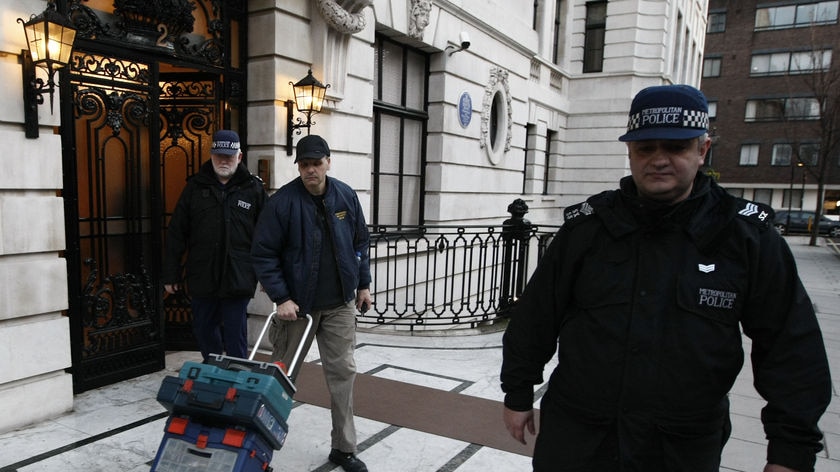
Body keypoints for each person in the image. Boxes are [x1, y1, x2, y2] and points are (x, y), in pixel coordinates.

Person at [500, 85, 831, 472]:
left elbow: (791, 345)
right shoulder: (589, 228)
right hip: (580, 437)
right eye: (645, 148)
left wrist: (791, 449)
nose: (658, 160)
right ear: (630, 152)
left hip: (678, 448)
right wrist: (518, 392)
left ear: (702, 150)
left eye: (675, 148)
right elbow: (536, 316)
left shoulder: (745, 237)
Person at [251, 134, 372, 472]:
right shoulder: (282, 203)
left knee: (343, 373)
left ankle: (344, 449)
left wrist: (363, 284)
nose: (310, 170)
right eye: (304, 165)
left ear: (328, 162)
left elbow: (360, 242)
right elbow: (263, 254)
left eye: (316, 163)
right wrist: (281, 297)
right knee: (280, 379)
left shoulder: (346, 196)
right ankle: (256, 450)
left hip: (339, 305)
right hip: (297, 309)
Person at [162, 129, 266, 361]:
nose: (223, 161)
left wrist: (267, 277)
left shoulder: (253, 188)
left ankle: (237, 376)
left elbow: (266, 237)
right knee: (204, 330)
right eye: (219, 155)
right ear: (211, 155)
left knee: (235, 334)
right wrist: (171, 274)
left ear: (239, 157)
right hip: (202, 275)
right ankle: (212, 371)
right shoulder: (195, 188)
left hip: (238, 276)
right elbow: (177, 233)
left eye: (229, 156)